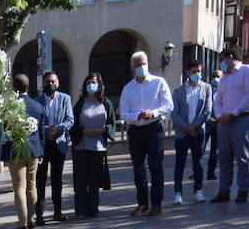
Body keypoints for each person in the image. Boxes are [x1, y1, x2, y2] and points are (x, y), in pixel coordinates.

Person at [119, 50, 173, 216]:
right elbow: (123, 113)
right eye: (138, 65)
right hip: (136, 130)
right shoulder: (128, 88)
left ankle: (157, 203)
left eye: (144, 63)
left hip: (154, 128)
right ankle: (142, 203)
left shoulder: (159, 82)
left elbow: (169, 105)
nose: (142, 67)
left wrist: (154, 112)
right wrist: (137, 116)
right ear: (132, 68)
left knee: (156, 167)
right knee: (138, 168)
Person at [70, 72, 115, 219]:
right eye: (89, 82)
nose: (92, 85)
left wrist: (103, 130)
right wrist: (84, 130)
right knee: (81, 180)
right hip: (81, 146)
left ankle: (93, 207)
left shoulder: (105, 103)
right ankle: (81, 210)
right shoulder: (80, 104)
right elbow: (73, 124)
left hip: (98, 146)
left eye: (94, 82)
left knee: (95, 179)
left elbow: (111, 122)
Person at [209, 43, 249, 204]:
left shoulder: (246, 71)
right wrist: (220, 116)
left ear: (230, 57)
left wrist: (233, 114)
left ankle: (242, 190)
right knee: (224, 158)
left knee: (243, 158)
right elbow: (217, 100)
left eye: (222, 59)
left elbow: (247, 95)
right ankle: (224, 191)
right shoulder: (224, 78)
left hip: (241, 119)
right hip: (224, 122)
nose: (221, 63)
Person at [171, 61, 212, 205]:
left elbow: (207, 110)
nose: (197, 74)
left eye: (199, 71)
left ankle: (198, 190)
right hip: (182, 133)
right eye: (194, 71)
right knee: (179, 163)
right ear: (188, 72)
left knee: (198, 162)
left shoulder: (206, 88)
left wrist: (195, 126)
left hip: (198, 132)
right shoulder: (179, 91)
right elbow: (174, 113)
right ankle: (177, 193)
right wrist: (186, 127)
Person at [34, 71, 73, 222]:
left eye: (53, 81)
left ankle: (58, 211)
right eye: (47, 82)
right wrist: (46, 130)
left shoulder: (65, 99)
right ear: (43, 84)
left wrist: (58, 128)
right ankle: (39, 214)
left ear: (58, 83)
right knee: (40, 180)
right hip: (43, 145)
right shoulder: (37, 101)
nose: (50, 84)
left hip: (58, 143)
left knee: (57, 179)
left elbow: (70, 120)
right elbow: (34, 123)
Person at [9, 74, 44, 229]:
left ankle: (22, 223)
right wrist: (40, 151)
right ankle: (31, 219)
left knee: (19, 187)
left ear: (14, 88)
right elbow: (41, 131)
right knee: (32, 186)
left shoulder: (11, 106)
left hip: (16, 151)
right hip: (34, 150)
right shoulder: (37, 106)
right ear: (28, 87)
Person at [206, 68, 223, 180]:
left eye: (218, 76)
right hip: (207, 123)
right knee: (200, 149)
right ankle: (196, 171)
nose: (215, 78)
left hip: (218, 124)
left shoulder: (224, 91)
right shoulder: (207, 90)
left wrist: (218, 120)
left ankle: (210, 172)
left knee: (215, 150)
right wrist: (209, 119)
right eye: (214, 76)